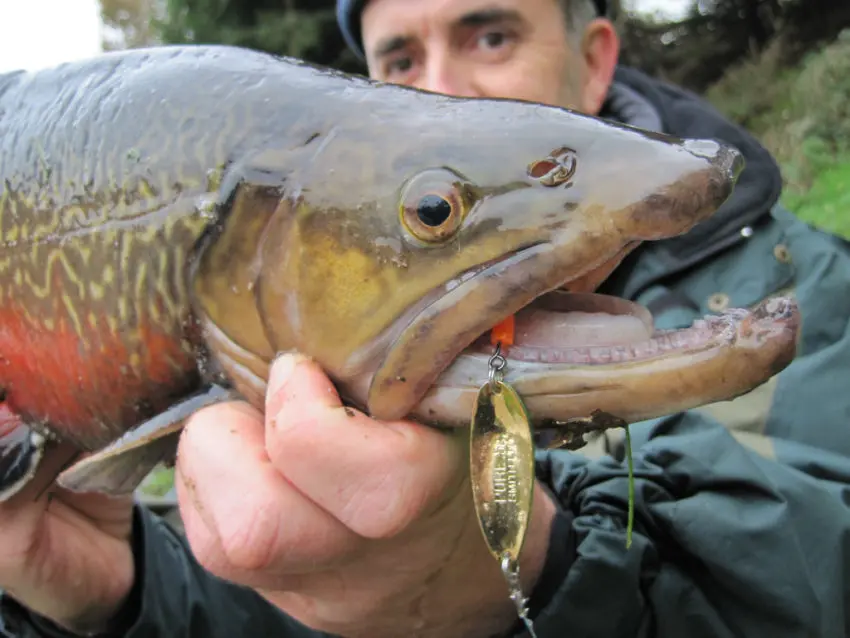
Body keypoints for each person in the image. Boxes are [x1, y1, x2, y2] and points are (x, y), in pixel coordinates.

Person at [1, 0, 849, 636]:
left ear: (595, 60)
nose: (442, 85)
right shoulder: (333, 325)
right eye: (398, 58)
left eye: (490, 35)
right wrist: (127, 589)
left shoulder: (817, 287)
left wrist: (527, 566)